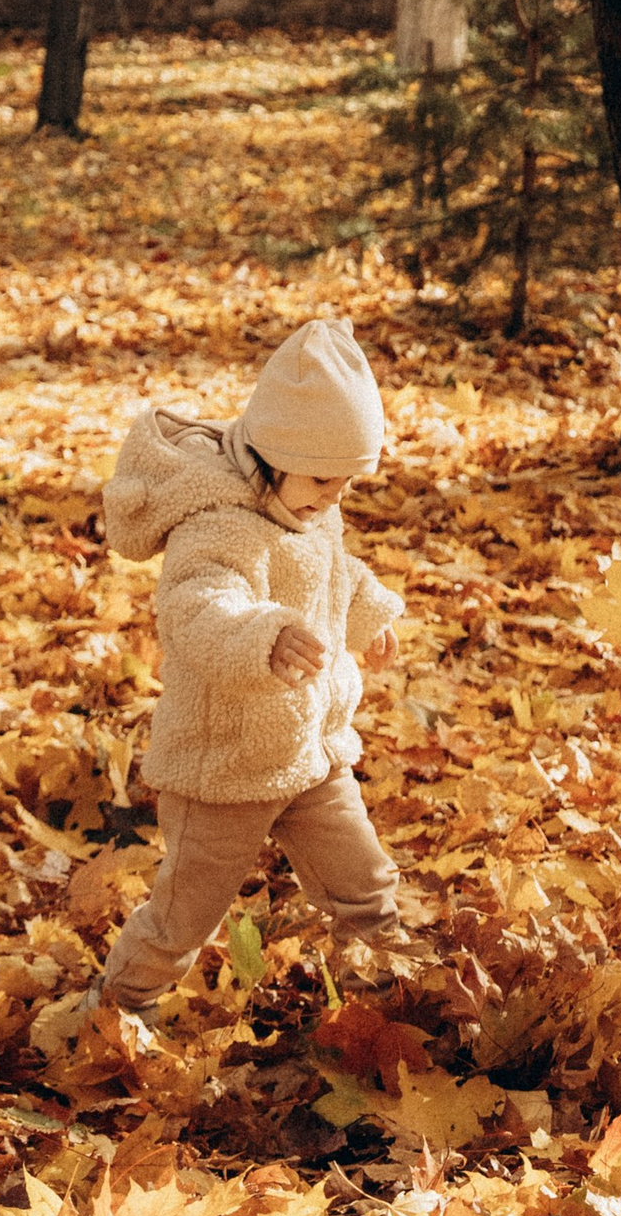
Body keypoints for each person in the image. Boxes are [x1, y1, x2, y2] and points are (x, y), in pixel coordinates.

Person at [98, 314, 405, 1011]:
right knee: (186, 915)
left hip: (310, 754)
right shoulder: (217, 521)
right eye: (326, 478)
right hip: (224, 767)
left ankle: (396, 989)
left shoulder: (308, 503)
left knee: (364, 880)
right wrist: (264, 636)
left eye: (348, 483)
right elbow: (199, 609)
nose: (334, 497)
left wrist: (369, 616)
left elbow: (332, 575)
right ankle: (119, 1008)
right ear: (273, 452)